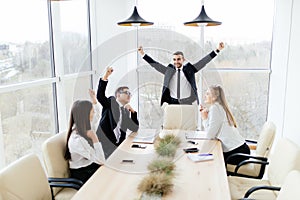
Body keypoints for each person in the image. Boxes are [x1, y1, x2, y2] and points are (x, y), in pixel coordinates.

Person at [138, 42, 225, 106]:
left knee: (186, 125)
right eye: (174, 59)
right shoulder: (168, 71)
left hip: (187, 102)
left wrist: (217, 50)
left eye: (178, 59)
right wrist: (143, 54)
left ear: (183, 60)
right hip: (172, 102)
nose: (176, 61)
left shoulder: (190, 70)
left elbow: (203, 62)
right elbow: (155, 65)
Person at [200, 85, 250, 165]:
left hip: (237, 153)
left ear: (214, 97)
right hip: (241, 150)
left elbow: (210, 135)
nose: (205, 96)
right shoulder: (219, 107)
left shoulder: (215, 108)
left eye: (208, 94)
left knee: (210, 161)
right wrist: (207, 118)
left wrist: (205, 119)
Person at [96, 67, 139, 158]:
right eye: (126, 92)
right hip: (104, 148)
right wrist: (106, 76)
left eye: (130, 93)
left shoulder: (125, 112)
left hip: (118, 147)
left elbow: (134, 128)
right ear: (118, 95)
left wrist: (133, 112)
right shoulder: (111, 103)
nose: (129, 95)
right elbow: (100, 96)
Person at [65, 89, 105, 184]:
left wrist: (94, 100)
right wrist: (95, 138)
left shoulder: (83, 128)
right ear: (85, 115)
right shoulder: (77, 140)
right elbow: (101, 160)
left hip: (90, 166)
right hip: (82, 174)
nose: (94, 113)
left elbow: (97, 116)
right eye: (92, 111)